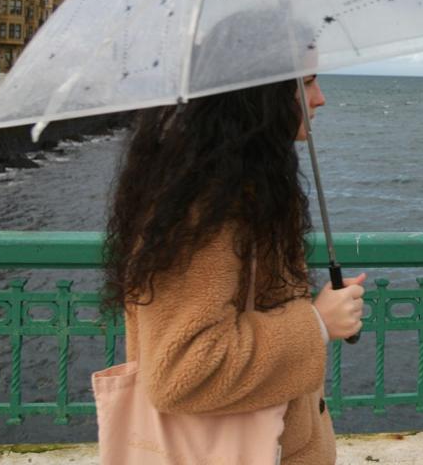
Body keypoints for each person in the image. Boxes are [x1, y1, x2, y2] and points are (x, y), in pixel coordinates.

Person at [102, 75, 364, 465]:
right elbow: (181, 371)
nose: (320, 99)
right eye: (306, 83)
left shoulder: (242, 185)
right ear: (257, 93)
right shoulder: (206, 207)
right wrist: (317, 323)